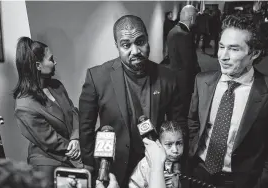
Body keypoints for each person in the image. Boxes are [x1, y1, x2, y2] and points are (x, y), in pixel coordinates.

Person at [79, 15, 185, 188]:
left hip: (155, 167)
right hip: (114, 167)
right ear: (117, 46)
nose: (135, 51)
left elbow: (178, 123)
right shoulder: (97, 77)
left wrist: (176, 164)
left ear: (147, 40)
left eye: (140, 42)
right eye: (126, 45)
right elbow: (86, 129)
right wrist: (93, 167)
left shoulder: (168, 77)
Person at [188, 15, 268, 188]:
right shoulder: (202, 81)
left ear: (254, 53)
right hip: (199, 172)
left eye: (233, 49)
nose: (222, 56)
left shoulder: (265, 92)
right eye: (222, 46)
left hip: (241, 181)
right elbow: (193, 122)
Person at [13, 37, 83, 186]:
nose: (55, 62)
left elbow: (73, 112)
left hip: (72, 149)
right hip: (49, 163)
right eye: (51, 59)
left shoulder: (56, 85)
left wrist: (76, 138)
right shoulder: (24, 105)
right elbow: (51, 141)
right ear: (38, 65)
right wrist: (75, 150)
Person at [167, 5, 201, 118]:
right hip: (184, 79)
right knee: (183, 108)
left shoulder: (175, 30)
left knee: (177, 105)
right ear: (192, 18)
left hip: (175, 74)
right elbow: (188, 62)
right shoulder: (183, 34)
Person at [129, 120, 186, 188]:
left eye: (179, 143)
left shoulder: (177, 162)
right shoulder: (146, 165)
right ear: (159, 144)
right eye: (169, 144)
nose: (175, 150)